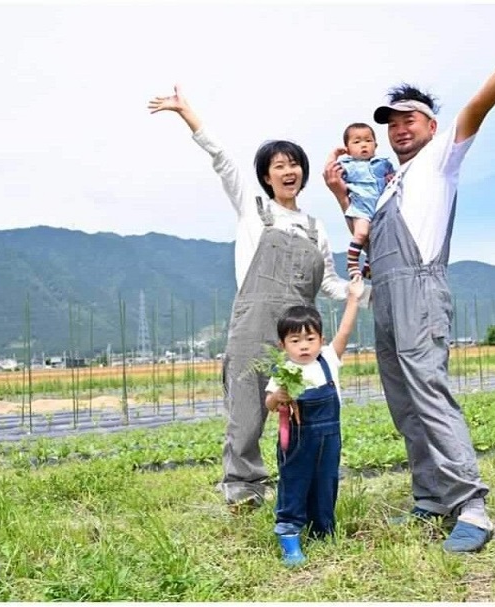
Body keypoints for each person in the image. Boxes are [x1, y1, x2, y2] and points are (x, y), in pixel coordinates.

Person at [322, 15, 495, 553]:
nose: (400, 128)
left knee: (428, 391)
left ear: (431, 127)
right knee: (403, 399)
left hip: (421, 290)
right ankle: (431, 498)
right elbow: (362, 234)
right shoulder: (388, 184)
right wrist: (342, 196)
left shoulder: (440, 161)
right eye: (392, 123)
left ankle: (472, 507)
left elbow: (477, 107)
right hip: (387, 293)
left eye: (410, 119)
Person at [148, 85, 365, 509]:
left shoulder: (314, 227)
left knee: (306, 409)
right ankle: (243, 490)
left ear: (302, 172)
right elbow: (223, 161)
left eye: (294, 165)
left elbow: (330, 284)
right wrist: (187, 113)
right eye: (278, 166)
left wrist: (361, 291)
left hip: (301, 334)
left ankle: (302, 484)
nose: (288, 171)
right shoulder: (253, 209)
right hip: (254, 325)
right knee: (246, 412)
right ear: (267, 176)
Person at [264, 275, 365, 566]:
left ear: (321, 340)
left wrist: (353, 298)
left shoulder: (329, 360)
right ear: (283, 345)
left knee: (326, 483)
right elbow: (269, 404)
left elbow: (345, 330)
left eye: (310, 339)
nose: (304, 346)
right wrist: (279, 396)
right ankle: (289, 536)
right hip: (297, 441)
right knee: (294, 485)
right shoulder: (283, 370)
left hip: (329, 438)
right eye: (295, 341)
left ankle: (323, 530)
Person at [337, 123, 395, 279]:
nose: (363, 145)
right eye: (357, 142)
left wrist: (390, 177)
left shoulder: (383, 163)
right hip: (361, 207)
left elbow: (394, 177)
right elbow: (330, 173)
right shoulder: (347, 166)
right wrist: (334, 155)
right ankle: (353, 264)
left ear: (375, 145)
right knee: (361, 233)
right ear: (347, 149)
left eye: (368, 141)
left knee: (378, 238)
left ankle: (369, 266)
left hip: (380, 209)